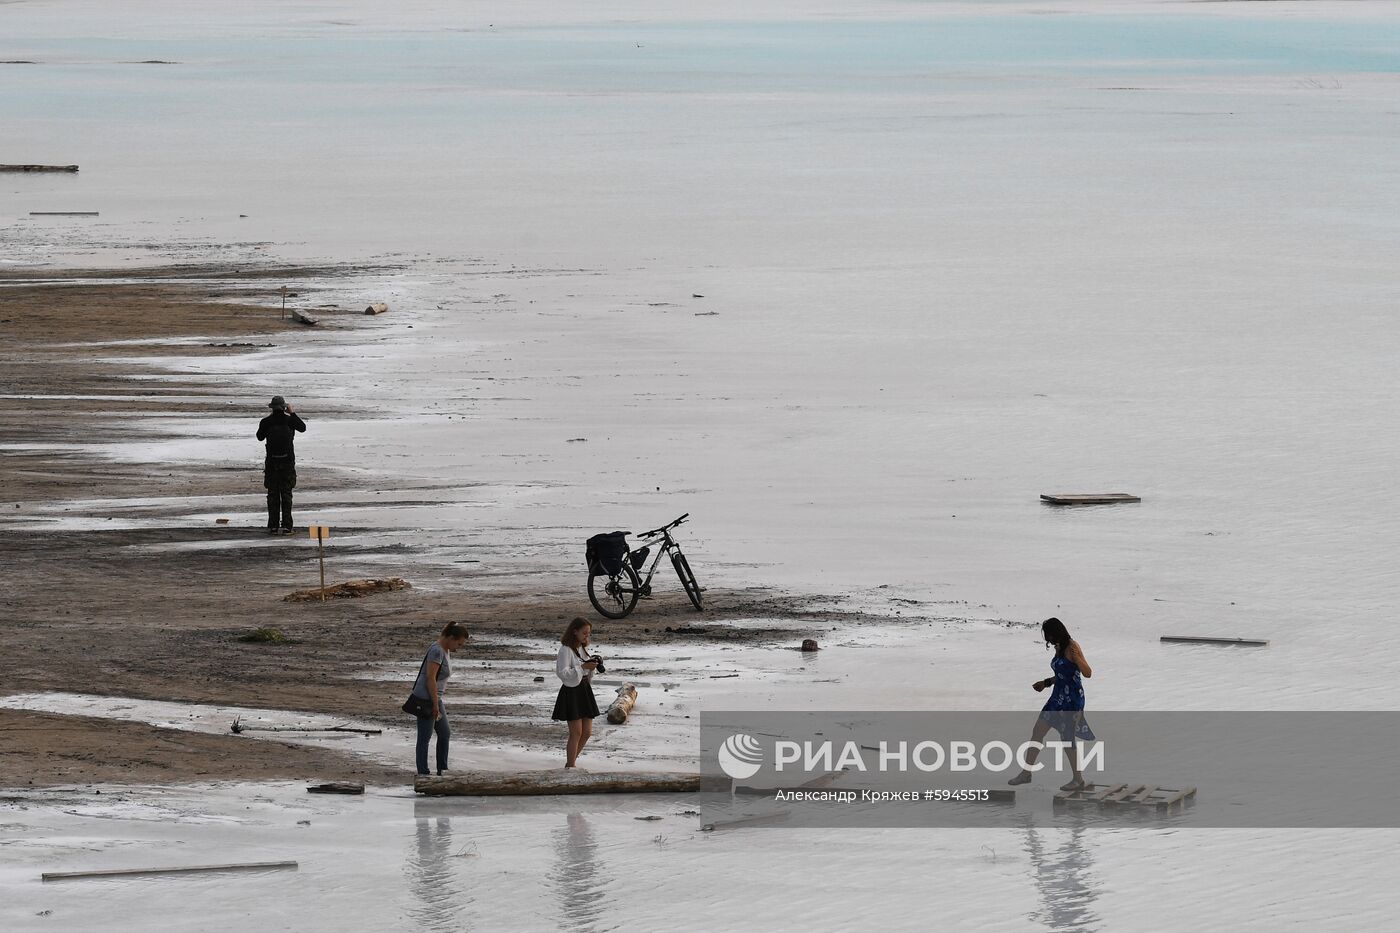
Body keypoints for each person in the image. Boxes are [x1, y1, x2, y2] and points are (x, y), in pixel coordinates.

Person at [1008, 617, 1096, 791]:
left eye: (1049, 635)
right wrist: (1046, 682)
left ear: (1057, 632)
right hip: (1057, 698)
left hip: (1071, 700)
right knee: (1037, 731)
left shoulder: (1072, 647)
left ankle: (1078, 780)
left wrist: (1078, 659)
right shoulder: (1059, 647)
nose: (1048, 639)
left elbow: (1088, 673)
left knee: (1067, 739)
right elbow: (1063, 674)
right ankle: (1026, 773)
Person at [410, 622, 470, 776]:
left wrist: (437, 701)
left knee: (444, 733)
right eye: (459, 643)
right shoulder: (437, 651)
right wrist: (435, 704)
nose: (459, 647)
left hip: (436, 698)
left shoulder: (445, 649)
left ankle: (442, 771)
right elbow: (430, 678)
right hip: (427, 699)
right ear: (451, 638)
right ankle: (424, 775)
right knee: (424, 737)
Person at [553, 617, 601, 768]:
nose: (587, 636)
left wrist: (591, 666)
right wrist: (584, 667)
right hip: (572, 691)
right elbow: (562, 673)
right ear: (574, 631)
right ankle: (571, 766)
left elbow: (584, 668)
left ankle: (569, 764)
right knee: (576, 733)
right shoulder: (565, 650)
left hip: (584, 689)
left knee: (586, 733)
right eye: (584, 633)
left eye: (588, 633)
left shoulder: (581, 648)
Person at [256, 395, 306, 534]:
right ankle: (286, 526)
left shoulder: (266, 422)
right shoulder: (290, 420)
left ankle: (273, 526)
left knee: (272, 495)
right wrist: (293, 413)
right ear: (284, 407)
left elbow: (259, 437)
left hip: (272, 463)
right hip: (287, 463)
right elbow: (302, 428)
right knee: (286, 495)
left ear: (271, 408)